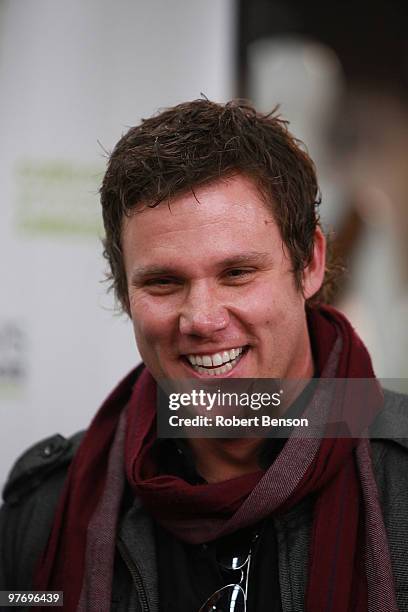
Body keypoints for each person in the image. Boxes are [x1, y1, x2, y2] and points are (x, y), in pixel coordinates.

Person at [1, 99, 408, 612]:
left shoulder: (399, 481)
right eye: (164, 282)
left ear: (310, 264)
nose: (202, 319)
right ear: (124, 293)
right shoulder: (48, 511)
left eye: (237, 273)